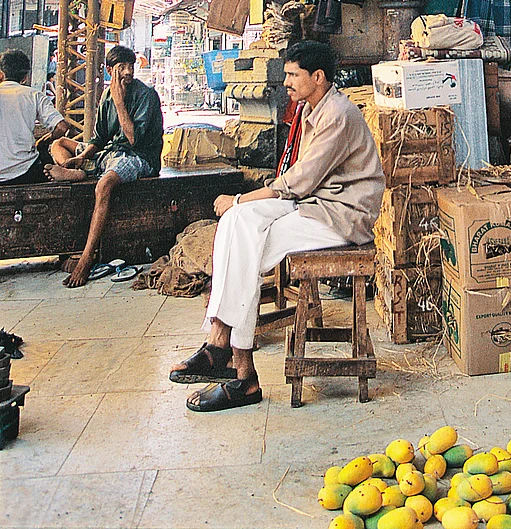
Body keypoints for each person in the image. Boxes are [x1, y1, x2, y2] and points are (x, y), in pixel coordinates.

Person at [169, 40, 385, 413]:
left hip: (344, 216)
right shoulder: (311, 108)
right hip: (317, 204)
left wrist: (240, 199)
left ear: (317, 77)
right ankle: (230, 357)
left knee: (243, 240)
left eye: (292, 75)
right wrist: (241, 207)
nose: (285, 82)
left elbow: (300, 180)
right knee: (237, 227)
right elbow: (301, 183)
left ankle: (236, 365)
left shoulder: (338, 113)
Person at [48, 43, 164, 288]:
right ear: (111, 70)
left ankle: (87, 257)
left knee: (105, 184)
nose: (128, 72)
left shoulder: (146, 96)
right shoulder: (107, 95)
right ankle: (78, 169)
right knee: (59, 144)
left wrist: (121, 104)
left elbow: (134, 140)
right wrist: (83, 154)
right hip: (110, 153)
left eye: (130, 66)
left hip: (137, 157)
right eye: (122, 67)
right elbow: (99, 137)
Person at [0, 49, 70, 185]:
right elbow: (62, 127)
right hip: (26, 172)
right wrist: (45, 140)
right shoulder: (34, 95)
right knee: (44, 155)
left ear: (1, 74)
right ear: (25, 77)